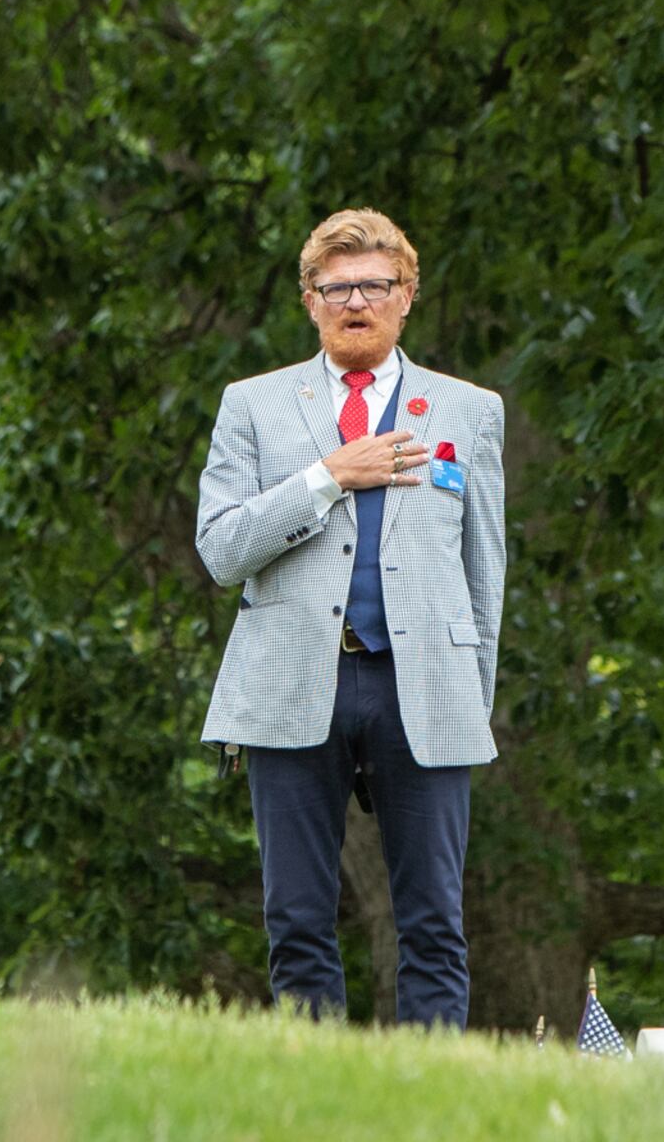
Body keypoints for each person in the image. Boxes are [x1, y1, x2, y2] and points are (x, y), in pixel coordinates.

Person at [194, 210, 506, 1027]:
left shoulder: (467, 411)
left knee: (435, 924)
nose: (355, 302)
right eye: (337, 288)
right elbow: (221, 550)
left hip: (424, 688)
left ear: (407, 298)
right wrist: (327, 477)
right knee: (297, 920)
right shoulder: (252, 406)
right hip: (295, 681)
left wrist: (470, 698)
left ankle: (429, 1098)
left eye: (375, 286)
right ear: (309, 301)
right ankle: (317, 1094)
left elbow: (486, 574)